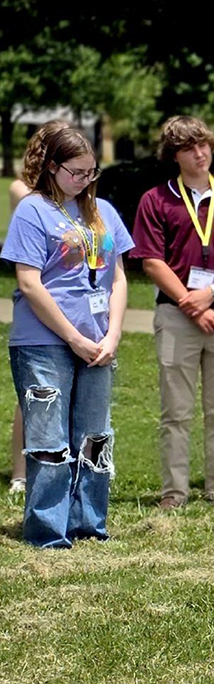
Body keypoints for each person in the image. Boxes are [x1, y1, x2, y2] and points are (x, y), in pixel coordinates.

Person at [0, 128, 132, 548]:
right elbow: (30, 282)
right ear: (52, 168)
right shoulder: (32, 210)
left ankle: (88, 524)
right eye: (75, 172)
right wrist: (75, 338)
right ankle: (47, 531)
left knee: (96, 437)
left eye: (91, 172)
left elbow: (119, 277)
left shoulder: (104, 213)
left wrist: (112, 334)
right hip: (43, 343)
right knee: (49, 442)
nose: (84, 180)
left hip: (98, 344)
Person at [131, 116, 214, 509]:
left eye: (203, 144)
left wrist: (212, 292)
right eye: (189, 148)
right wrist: (192, 304)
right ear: (174, 155)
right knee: (177, 411)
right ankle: (175, 492)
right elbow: (151, 262)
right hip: (176, 316)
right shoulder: (156, 200)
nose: (199, 153)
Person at [6, 120, 69, 496]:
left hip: (72, 301)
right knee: (32, 393)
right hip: (36, 297)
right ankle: (20, 471)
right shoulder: (23, 192)